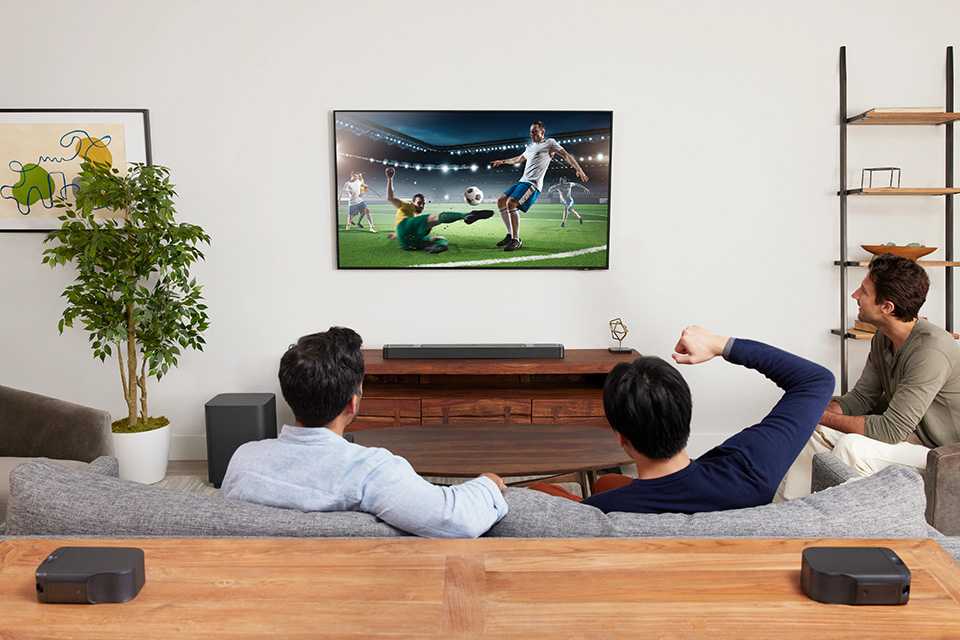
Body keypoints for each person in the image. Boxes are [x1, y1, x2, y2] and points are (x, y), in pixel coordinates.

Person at [221, 327, 509, 538]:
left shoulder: (244, 460)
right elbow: (454, 519)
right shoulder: (373, 470)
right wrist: (487, 484)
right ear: (353, 403)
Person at [530, 325, 835, 514]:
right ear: (686, 413)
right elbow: (816, 380)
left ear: (621, 437)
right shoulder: (749, 471)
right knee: (608, 482)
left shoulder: (598, 514)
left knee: (544, 492)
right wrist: (720, 344)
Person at [777, 253, 960, 500]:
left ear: (887, 307)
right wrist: (813, 412)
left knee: (851, 447)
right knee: (814, 430)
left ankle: (840, 521)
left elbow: (891, 429)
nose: (855, 295)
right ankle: (790, 513)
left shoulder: (931, 350)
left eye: (863, 291)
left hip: (946, 454)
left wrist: (820, 415)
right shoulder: (883, 338)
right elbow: (862, 398)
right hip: (913, 437)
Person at [491, 120, 589, 251]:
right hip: (522, 181)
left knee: (511, 203)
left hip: (533, 184)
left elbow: (566, 155)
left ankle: (516, 240)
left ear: (543, 132)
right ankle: (510, 235)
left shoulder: (550, 143)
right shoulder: (530, 147)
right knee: (501, 201)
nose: (532, 134)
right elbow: (518, 159)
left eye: (535, 132)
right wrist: (502, 161)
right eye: (531, 132)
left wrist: (579, 169)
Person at [384, 167, 493, 254]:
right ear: (412, 202)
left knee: (439, 238)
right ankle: (466, 215)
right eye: (419, 203)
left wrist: (395, 234)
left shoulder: (413, 217)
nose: (421, 206)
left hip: (408, 244)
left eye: (423, 204)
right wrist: (390, 179)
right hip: (404, 228)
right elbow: (390, 198)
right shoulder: (407, 204)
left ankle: (440, 246)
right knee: (434, 217)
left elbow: (406, 230)